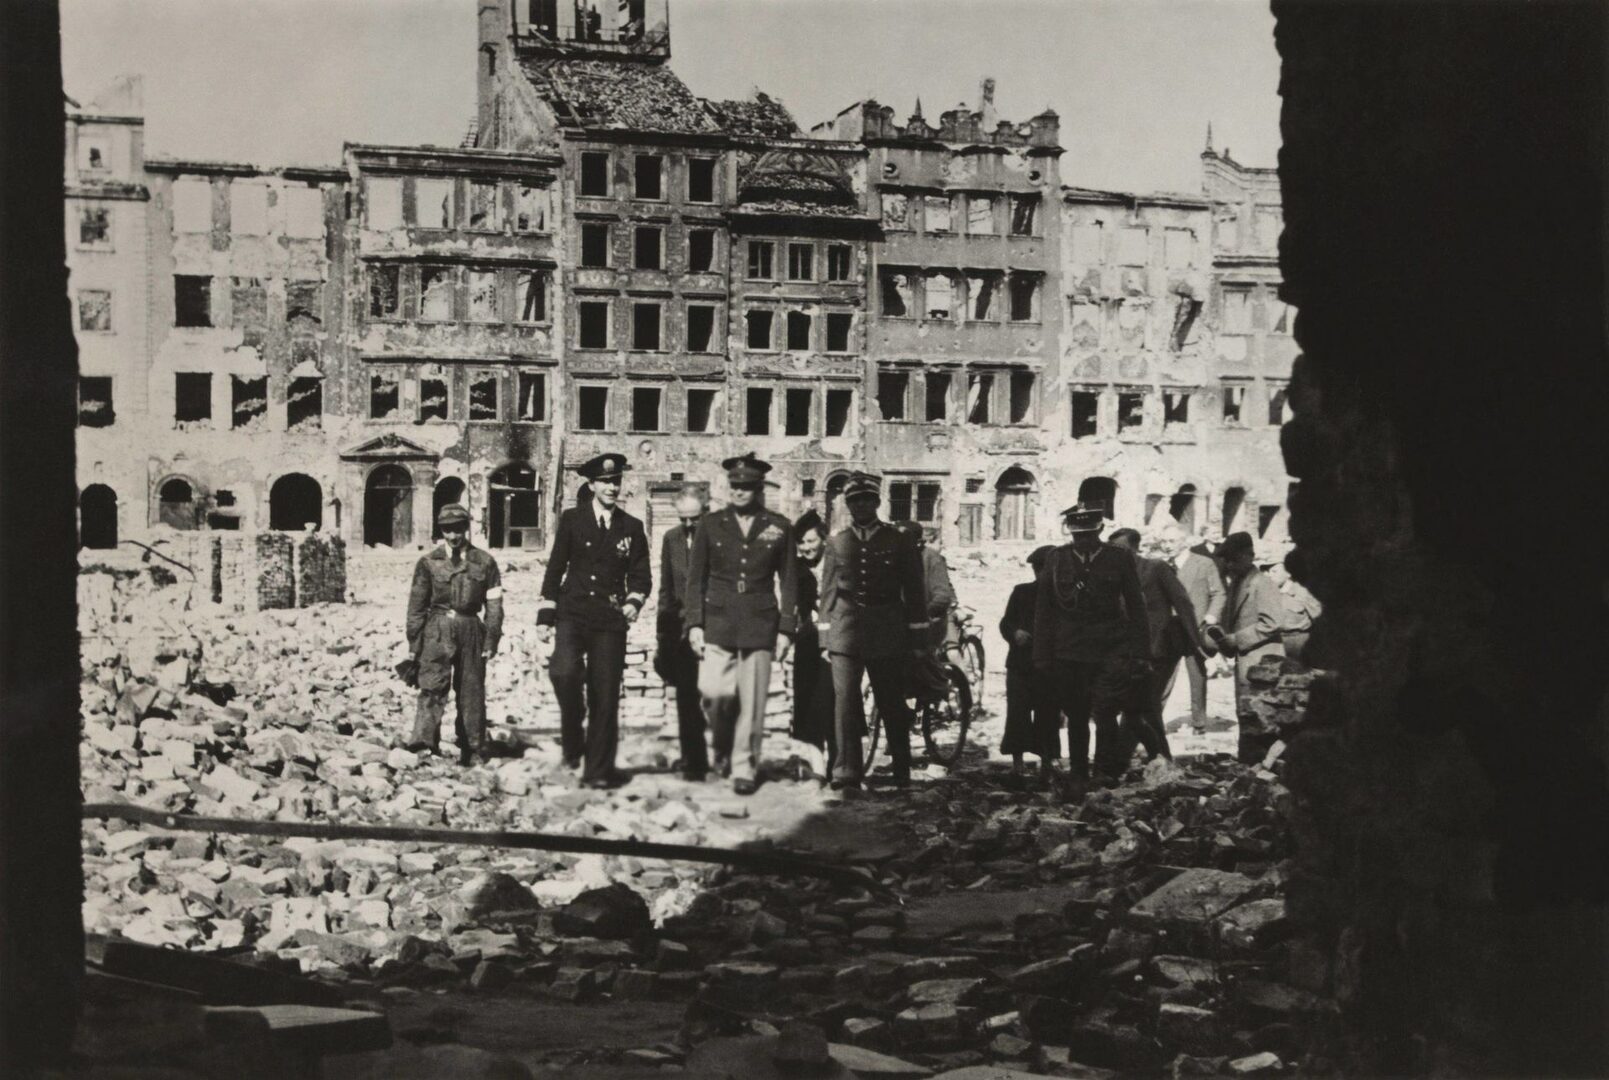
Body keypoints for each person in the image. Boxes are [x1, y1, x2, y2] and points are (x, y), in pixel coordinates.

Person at [685, 453, 799, 795]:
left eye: (746, 487)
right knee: (713, 693)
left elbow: (789, 580)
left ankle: (743, 767)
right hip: (718, 619)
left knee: (752, 703)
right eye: (734, 485)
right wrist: (695, 623)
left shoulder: (778, 526)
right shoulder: (710, 524)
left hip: (760, 622)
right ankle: (722, 747)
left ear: (758, 489)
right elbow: (695, 578)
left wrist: (786, 628)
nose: (738, 491)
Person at [537, 453, 652, 789]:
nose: (612, 488)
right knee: (563, 672)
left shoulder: (632, 527)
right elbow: (555, 568)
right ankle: (573, 735)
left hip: (609, 619)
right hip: (572, 613)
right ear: (591, 485)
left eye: (616, 481)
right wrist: (545, 616)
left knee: (605, 693)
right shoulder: (572, 520)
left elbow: (641, 575)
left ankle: (598, 771)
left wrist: (634, 602)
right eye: (605, 482)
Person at [817, 473, 928, 789]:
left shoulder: (898, 540)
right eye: (855, 501)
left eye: (867, 499)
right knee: (845, 704)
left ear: (877, 502)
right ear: (848, 505)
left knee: (891, 702)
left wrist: (918, 638)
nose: (861, 506)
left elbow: (914, 591)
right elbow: (828, 592)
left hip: (887, 631)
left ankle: (902, 771)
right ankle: (846, 770)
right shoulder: (837, 542)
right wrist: (825, 638)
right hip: (844, 632)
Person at [1032, 504, 1151, 794]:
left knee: (1106, 712)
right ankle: (1078, 772)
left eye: (1088, 534)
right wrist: (1042, 655)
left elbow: (1136, 607)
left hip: (1110, 648)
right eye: (1077, 535)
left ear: (1100, 530)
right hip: (1069, 651)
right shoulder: (1057, 559)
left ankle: (1103, 771)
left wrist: (1140, 653)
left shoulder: (1119, 558)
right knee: (1076, 714)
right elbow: (1044, 610)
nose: (1082, 540)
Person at [404, 503, 504, 765]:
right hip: (437, 629)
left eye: (458, 529)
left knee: (472, 690)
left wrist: (491, 638)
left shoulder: (485, 562)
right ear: (441, 531)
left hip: (471, 628)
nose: (453, 536)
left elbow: (494, 605)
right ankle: (424, 744)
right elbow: (416, 607)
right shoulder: (428, 562)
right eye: (447, 530)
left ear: (466, 528)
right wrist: (414, 644)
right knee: (432, 686)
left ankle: (473, 748)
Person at [1107, 527, 1207, 765]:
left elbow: (1183, 604)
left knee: (1143, 704)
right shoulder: (1114, 575)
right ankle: (1154, 757)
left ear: (1135, 548)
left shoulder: (1156, 568)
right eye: (1112, 550)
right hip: (1129, 652)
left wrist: (1196, 643)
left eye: (1121, 548)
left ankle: (1126, 760)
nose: (1116, 554)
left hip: (1158, 650)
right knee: (1142, 706)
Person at [1209, 531, 1286, 762]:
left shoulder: (1263, 583)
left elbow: (1273, 622)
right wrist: (1224, 640)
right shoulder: (1237, 584)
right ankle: (1249, 766)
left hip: (1264, 664)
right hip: (1246, 662)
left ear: (1248, 556)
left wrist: (1237, 639)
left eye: (1233, 559)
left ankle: (1264, 766)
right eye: (1227, 560)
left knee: (1263, 719)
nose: (1229, 565)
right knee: (1248, 716)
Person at [655, 487, 708, 781]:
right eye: (683, 518)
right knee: (687, 696)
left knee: (718, 697)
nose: (689, 525)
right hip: (681, 630)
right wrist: (663, 635)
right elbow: (666, 588)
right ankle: (694, 760)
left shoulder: (716, 537)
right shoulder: (671, 539)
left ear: (705, 512)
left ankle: (728, 758)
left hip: (713, 628)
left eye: (694, 519)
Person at [999, 545, 1057, 778]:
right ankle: (1018, 765)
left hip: (1050, 665)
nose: (1039, 573)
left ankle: (1047, 764)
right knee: (1017, 714)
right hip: (1020, 663)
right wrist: (1015, 633)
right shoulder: (1022, 592)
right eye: (1036, 569)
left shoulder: (1064, 596)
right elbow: (1006, 622)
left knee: (1048, 714)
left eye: (1043, 569)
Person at [790, 509, 836, 781]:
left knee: (833, 701)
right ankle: (814, 765)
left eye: (811, 541)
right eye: (801, 542)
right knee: (806, 701)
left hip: (837, 642)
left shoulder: (836, 564)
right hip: (808, 641)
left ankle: (840, 765)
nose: (806, 547)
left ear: (823, 540)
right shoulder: (796, 569)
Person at [1169, 529, 1226, 728]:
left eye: (1171, 540)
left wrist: (1211, 616)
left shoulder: (1204, 563)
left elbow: (1219, 593)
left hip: (1195, 628)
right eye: (1165, 541)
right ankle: (1153, 723)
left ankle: (1199, 723)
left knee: (1197, 676)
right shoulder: (1163, 565)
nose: (1167, 545)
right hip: (1170, 629)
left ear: (1184, 542)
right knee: (1162, 677)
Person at [1267, 561, 1321, 664]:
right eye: (1268, 571)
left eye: (1274, 571)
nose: (1269, 575)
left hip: (1299, 643)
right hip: (1275, 643)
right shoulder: (1268, 592)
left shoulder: (1303, 592)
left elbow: (1320, 620)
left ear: (1288, 573)